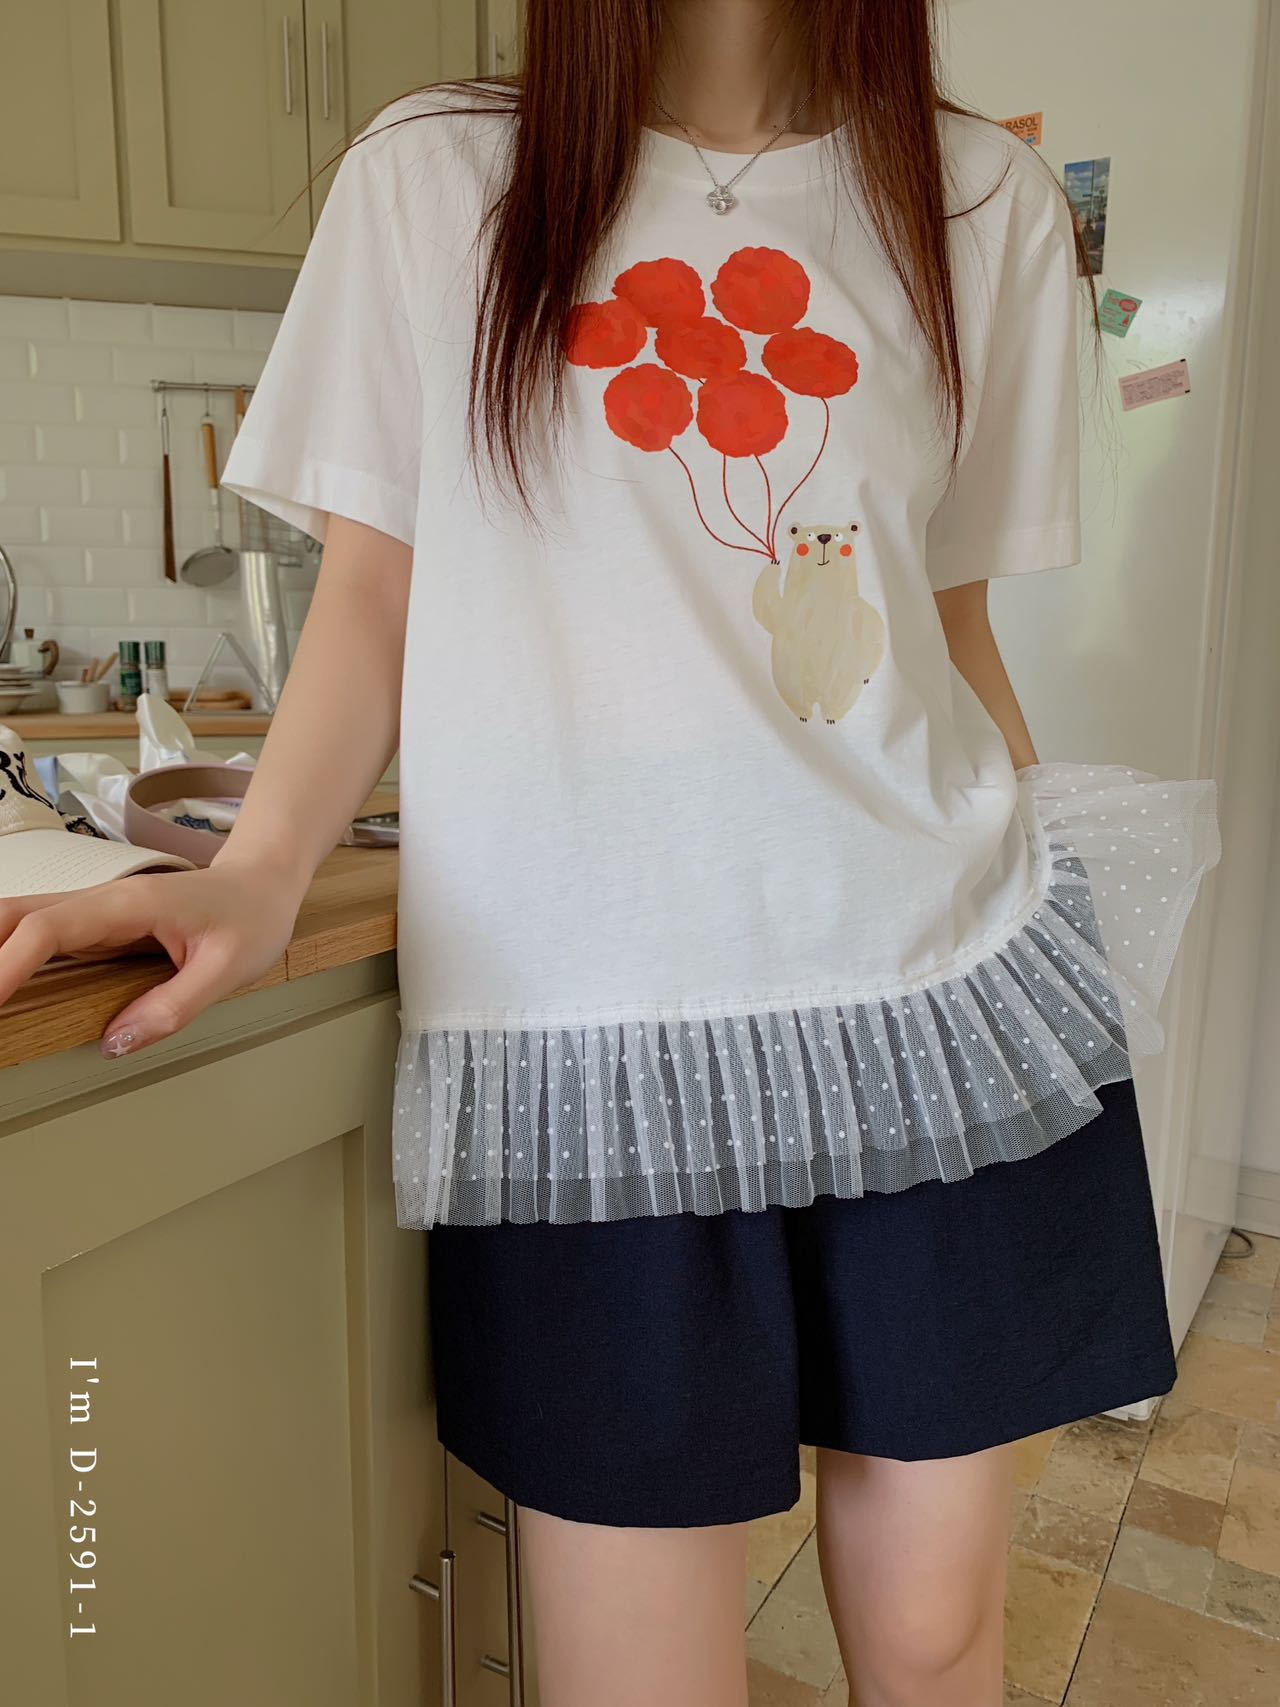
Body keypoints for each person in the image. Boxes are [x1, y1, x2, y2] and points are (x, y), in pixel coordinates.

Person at [0, 3, 1219, 1703]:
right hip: (588, 1039)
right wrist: (258, 873)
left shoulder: (981, 202)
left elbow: (951, 627)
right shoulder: (434, 178)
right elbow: (371, 594)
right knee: (637, 1675)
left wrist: (1054, 967)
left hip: (931, 981)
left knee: (939, 1640)